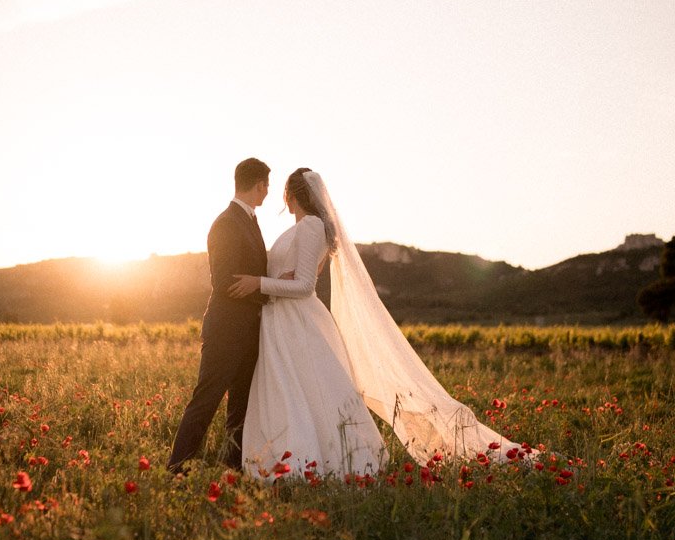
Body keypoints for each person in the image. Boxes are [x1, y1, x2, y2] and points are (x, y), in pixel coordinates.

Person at [229, 168, 523, 478]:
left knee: (305, 393)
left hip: (297, 322)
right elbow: (300, 274)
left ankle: (314, 461)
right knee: (288, 393)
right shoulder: (303, 227)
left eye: (284, 192)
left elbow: (303, 286)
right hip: (280, 322)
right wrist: (272, 280)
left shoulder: (312, 225)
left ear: (290, 195)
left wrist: (259, 283)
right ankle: (281, 458)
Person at [167, 158, 270, 472]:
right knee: (206, 401)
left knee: (240, 405)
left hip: (249, 329)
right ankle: (176, 468)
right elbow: (224, 280)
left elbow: (248, 274)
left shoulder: (249, 220)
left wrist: (260, 285)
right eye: (267, 185)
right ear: (258, 185)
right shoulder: (226, 222)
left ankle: (231, 469)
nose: (268, 192)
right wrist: (267, 290)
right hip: (226, 329)